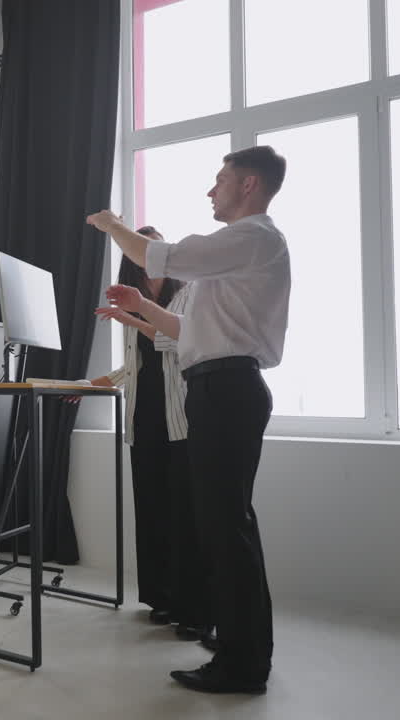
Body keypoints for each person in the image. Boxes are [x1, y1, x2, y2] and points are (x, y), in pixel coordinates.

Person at [86, 145, 290, 694]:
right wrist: (140, 306)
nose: (211, 190)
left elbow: (163, 257)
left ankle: (243, 665)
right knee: (223, 527)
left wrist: (113, 224)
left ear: (248, 185)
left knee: (225, 530)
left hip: (227, 389)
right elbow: (184, 333)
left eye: (220, 179)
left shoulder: (252, 237)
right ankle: (240, 644)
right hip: (216, 387)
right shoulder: (235, 259)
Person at [90, 227, 210, 644]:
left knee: (185, 516)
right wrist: (97, 383)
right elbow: (134, 363)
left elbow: (176, 342)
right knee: (153, 512)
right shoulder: (128, 298)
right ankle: (162, 598)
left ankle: (193, 608)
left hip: (182, 419)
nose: (148, 253)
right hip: (145, 421)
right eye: (140, 249)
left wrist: (133, 318)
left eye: (154, 244)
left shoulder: (188, 290)